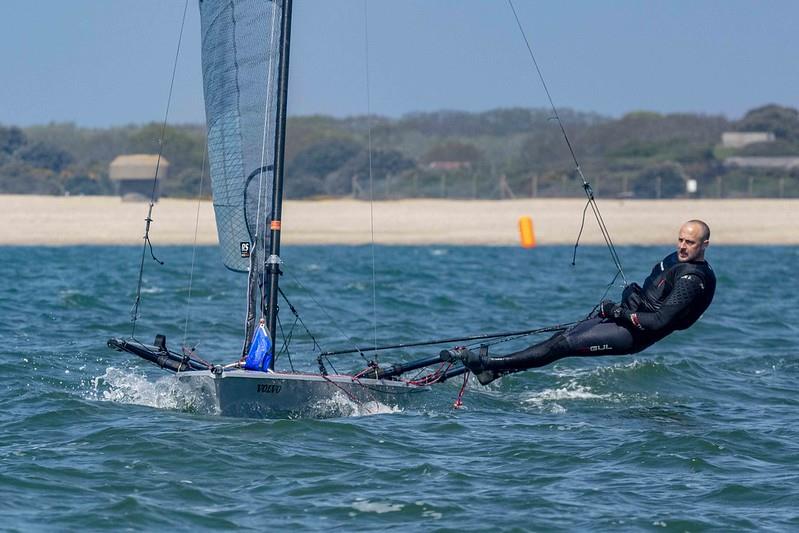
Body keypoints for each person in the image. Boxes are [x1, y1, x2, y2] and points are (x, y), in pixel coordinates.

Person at [444, 220, 716, 385]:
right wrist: (630, 298)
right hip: (625, 319)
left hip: (632, 335)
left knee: (563, 346)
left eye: (689, 242)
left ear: (704, 244)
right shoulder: (678, 259)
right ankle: (494, 371)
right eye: (680, 239)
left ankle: (490, 366)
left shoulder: (693, 279)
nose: (682, 246)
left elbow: (659, 321)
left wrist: (619, 311)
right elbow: (653, 295)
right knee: (561, 338)